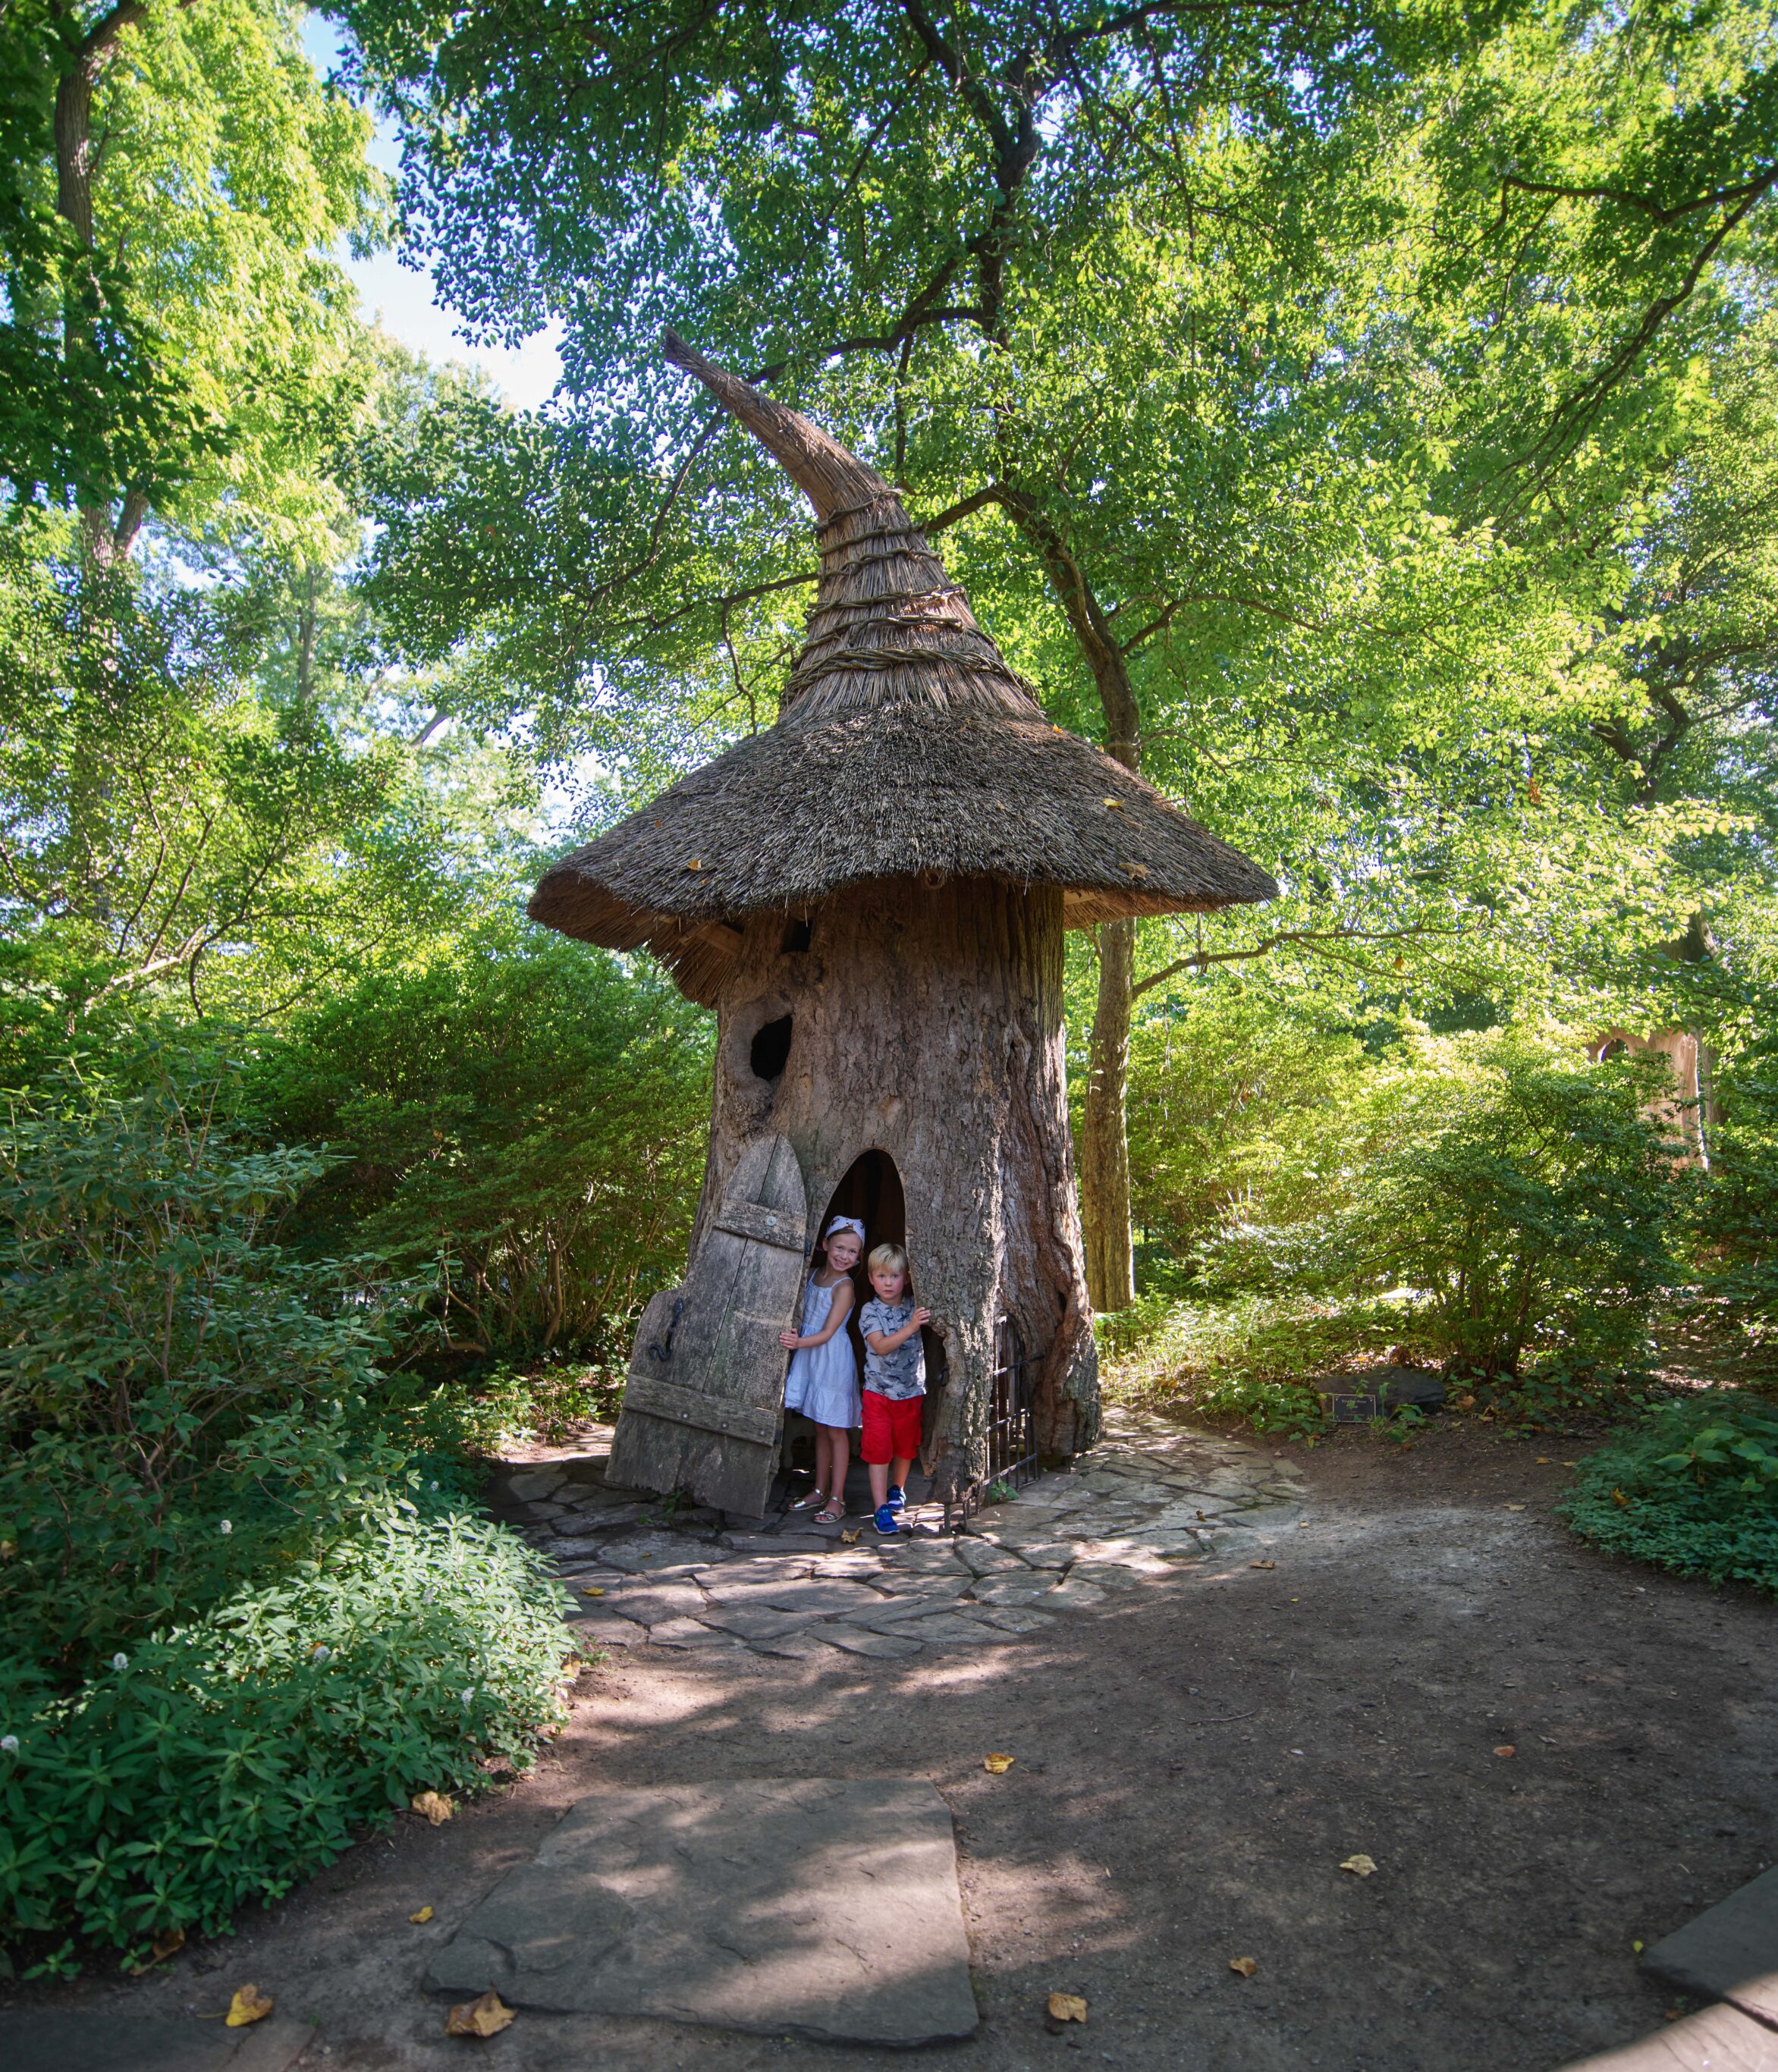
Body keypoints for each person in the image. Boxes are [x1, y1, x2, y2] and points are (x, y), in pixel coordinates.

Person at [779, 1217, 864, 1524]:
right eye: (839, 1247)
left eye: (853, 1252)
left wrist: (796, 1342)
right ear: (825, 1244)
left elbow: (828, 1333)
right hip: (811, 1357)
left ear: (859, 1257)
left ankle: (837, 1498)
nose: (844, 1255)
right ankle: (819, 1488)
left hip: (831, 1360)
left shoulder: (845, 1287)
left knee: (836, 1429)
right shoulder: (813, 1275)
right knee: (819, 1425)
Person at [858, 1242, 931, 1537]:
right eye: (881, 1276)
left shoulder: (916, 1306)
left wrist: (915, 1321)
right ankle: (880, 1509)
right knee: (879, 1451)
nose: (888, 1283)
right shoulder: (870, 1311)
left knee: (905, 1446)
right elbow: (881, 1345)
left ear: (908, 1278)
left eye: (895, 1276)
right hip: (878, 1394)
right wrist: (912, 1328)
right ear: (871, 1279)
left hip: (911, 1392)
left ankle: (897, 1490)